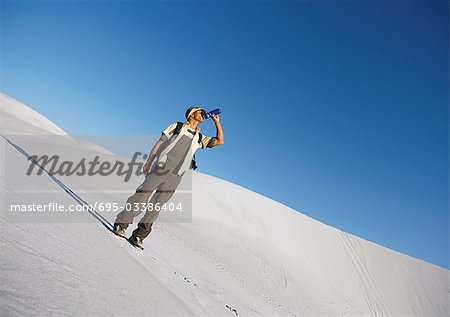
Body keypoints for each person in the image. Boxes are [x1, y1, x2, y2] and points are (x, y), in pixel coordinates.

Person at [112, 106, 224, 249]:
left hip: (176, 175)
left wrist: (216, 122)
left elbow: (220, 141)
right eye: (199, 112)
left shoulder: (199, 137)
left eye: (203, 113)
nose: (202, 114)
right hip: (161, 168)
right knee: (141, 196)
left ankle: (139, 235)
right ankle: (121, 224)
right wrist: (149, 161)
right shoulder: (177, 127)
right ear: (191, 115)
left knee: (157, 206)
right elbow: (160, 142)